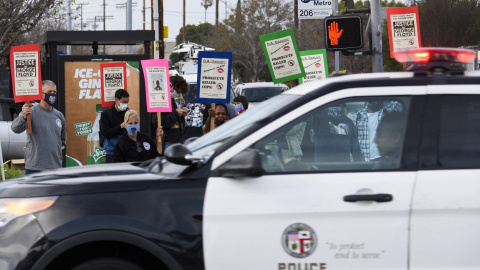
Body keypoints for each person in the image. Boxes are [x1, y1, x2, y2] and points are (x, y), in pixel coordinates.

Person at [11, 80, 66, 174]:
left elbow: (62, 141)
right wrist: (23, 117)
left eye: (54, 92)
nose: (52, 95)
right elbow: (15, 128)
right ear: (41, 93)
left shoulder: (59, 116)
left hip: (55, 167)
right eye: (49, 92)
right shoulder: (30, 111)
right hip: (34, 167)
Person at [151, 75, 189, 149]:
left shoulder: (172, 100)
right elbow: (157, 122)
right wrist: (176, 113)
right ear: (170, 86)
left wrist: (181, 114)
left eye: (180, 93)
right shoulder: (161, 101)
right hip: (166, 143)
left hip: (176, 142)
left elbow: (174, 119)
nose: (178, 94)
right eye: (177, 91)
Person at [100, 89, 129, 163]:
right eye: (124, 102)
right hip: (111, 151)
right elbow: (106, 133)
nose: (125, 104)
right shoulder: (106, 114)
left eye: (127, 102)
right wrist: (120, 127)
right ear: (116, 100)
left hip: (125, 151)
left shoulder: (128, 113)